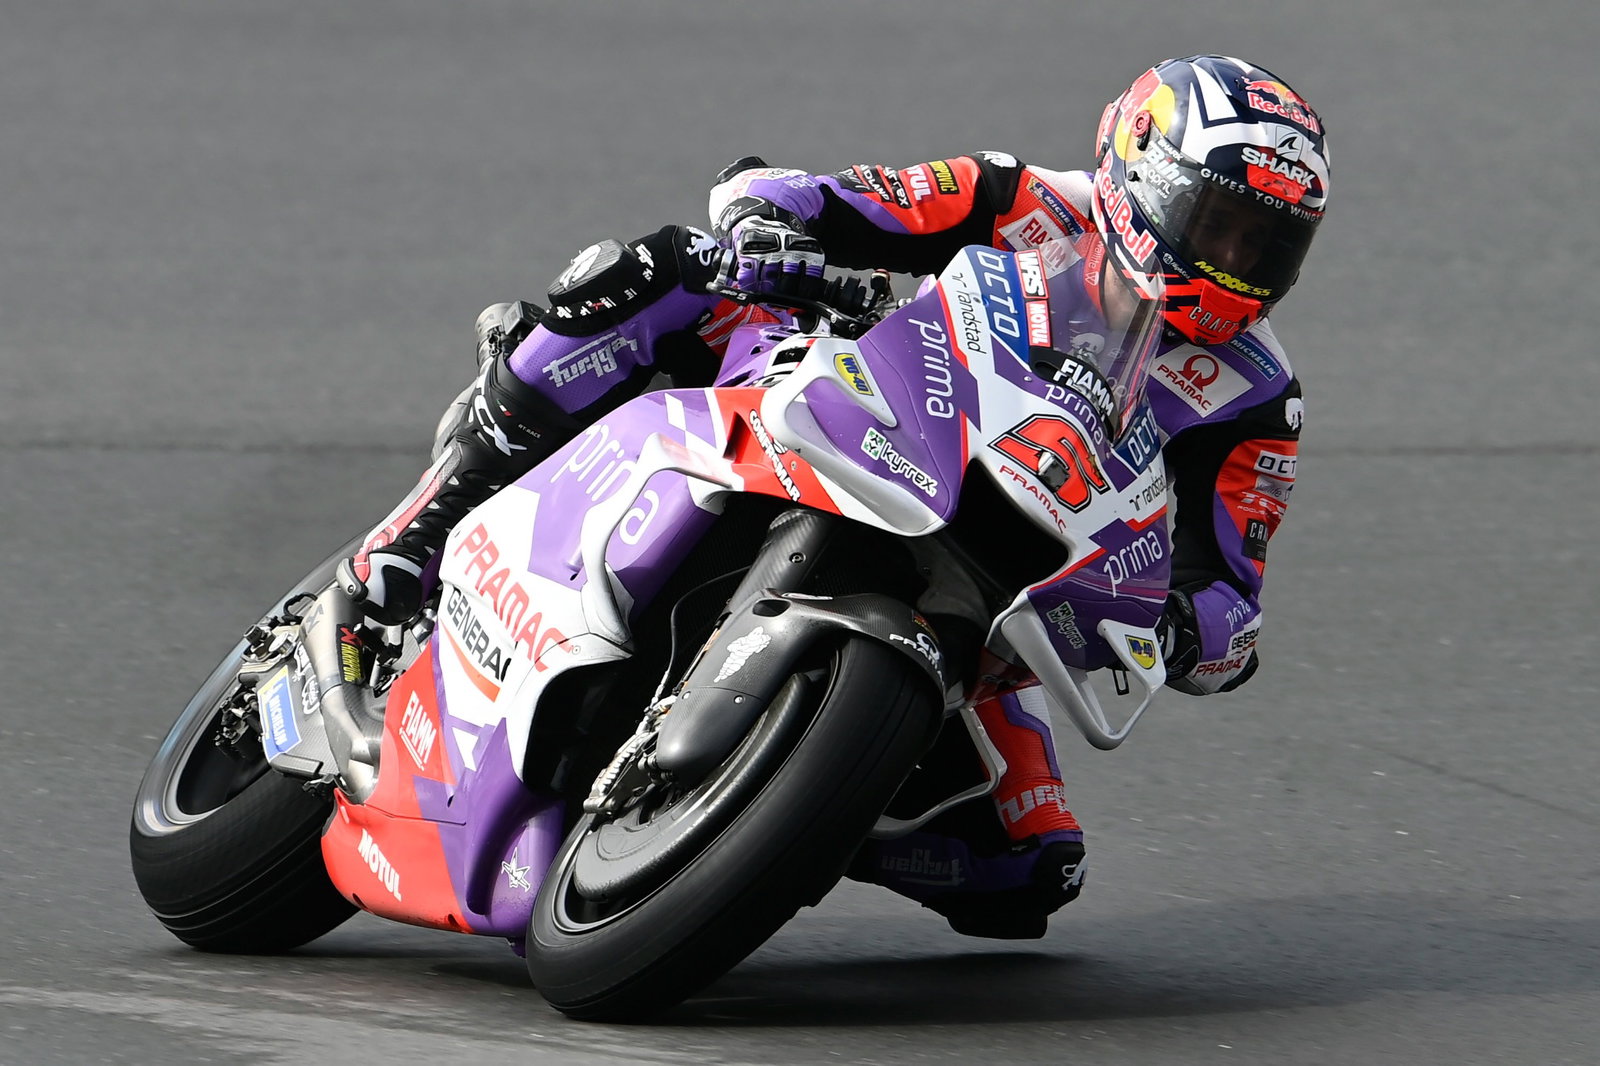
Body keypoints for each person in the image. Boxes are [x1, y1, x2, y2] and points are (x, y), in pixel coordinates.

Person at [335, 54, 1329, 938]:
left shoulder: (1257, 394)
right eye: (1216, 223)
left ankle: (781, 804)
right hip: (858, 413)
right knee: (674, 271)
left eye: (1264, 243)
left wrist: (1188, 631)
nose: (1236, 260)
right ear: (1140, 173)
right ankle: (419, 531)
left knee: (1024, 871)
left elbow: (1231, 589)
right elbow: (811, 196)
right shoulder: (1021, 199)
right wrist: (768, 224)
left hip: (993, 584)